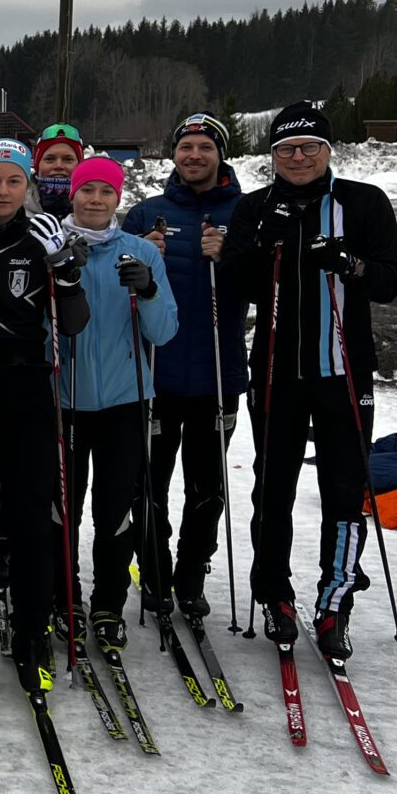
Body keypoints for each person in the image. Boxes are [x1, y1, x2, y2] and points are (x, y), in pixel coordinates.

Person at [223, 103, 397, 657]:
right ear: (272, 156)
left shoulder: (364, 202)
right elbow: (234, 283)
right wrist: (260, 244)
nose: (297, 158)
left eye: (308, 148)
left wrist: (350, 264)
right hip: (277, 373)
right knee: (272, 488)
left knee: (346, 493)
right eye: (285, 149)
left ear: (329, 151)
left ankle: (335, 604)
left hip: (345, 373)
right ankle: (274, 595)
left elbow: (391, 280)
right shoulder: (253, 207)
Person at [0, 140, 89, 691]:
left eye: (12, 181)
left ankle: (31, 630)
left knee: (32, 512)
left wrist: (65, 267)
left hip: (28, 385)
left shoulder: (43, 234)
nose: (3, 191)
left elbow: (73, 322)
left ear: (27, 184)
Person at [121, 114, 247, 616]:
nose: (194, 155)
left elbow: (269, 283)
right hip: (155, 376)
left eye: (204, 147)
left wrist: (232, 256)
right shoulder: (145, 214)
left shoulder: (247, 212)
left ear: (220, 154)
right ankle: (153, 573)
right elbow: (114, 290)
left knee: (206, 488)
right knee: (147, 484)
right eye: (186, 147)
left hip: (219, 374)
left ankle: (191, 576)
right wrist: (139, 259)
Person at [55, 157, 178, 652]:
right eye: (88, 191)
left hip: (126, 401)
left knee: (116, 511)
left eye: (106, 192)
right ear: (73, 194)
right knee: (63, 509)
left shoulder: (140, 252)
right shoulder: (54, 246)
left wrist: (147, 290)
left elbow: (164, 330)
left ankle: (108, 603)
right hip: (65, 399)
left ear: (118, 198)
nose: (96, 200)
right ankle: (64, 598)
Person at [34, 125, 84, 219]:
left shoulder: (96, 211)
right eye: (50, 159)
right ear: (38, 164)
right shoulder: (14, 208)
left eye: (68, 159)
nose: (58, 166)